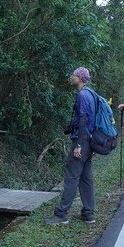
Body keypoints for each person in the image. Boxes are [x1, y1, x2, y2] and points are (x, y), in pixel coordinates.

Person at [46, 67, 97, 225]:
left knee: (71, 177)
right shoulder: (91, 93)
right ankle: (89, 213)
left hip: (82, 141)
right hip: (90, 140)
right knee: (86, 177)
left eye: (73, 75)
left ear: (80, 78)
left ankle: (61, 214)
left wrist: (79, 145)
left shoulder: (82, 95)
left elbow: (83, 120)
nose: (70, 77)